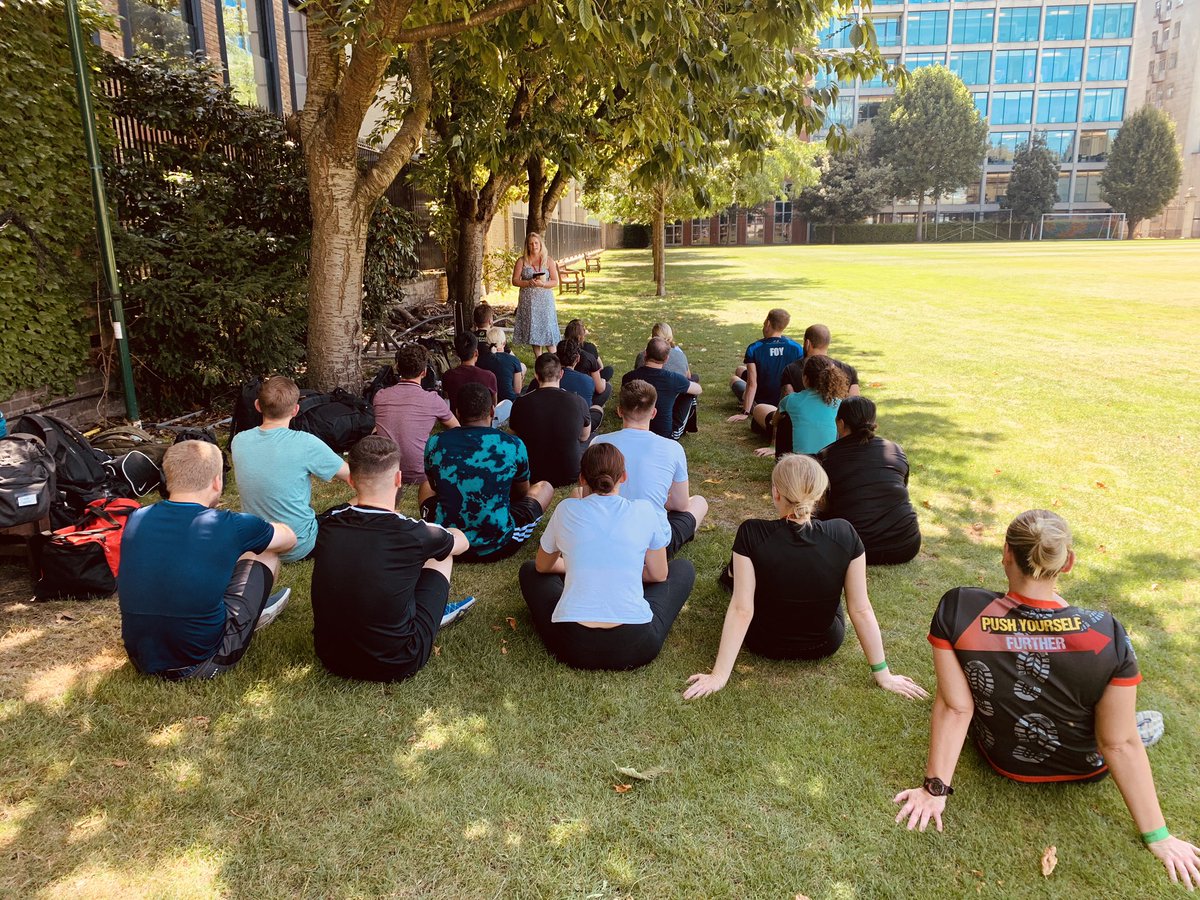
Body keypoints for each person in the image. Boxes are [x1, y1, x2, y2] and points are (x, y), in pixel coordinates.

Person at [893, 510, 1200, 890]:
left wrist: (934, 790)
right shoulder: (1105, 632)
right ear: (1067, 562)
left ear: (1006, 553)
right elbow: (1117, 743)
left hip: (1001, 757)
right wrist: (1159, 837)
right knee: (1134, 725)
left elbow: (957, 706)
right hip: (1085, 764)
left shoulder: (960, 609)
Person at [683, 454, 926, 700]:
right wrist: (883, 674)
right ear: (819, 495)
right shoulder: (845, 532)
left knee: (741, 579)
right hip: (825, 643)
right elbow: (860, 609)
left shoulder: (752, 533)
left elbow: (742, 609)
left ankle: (732, 574)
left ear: (776, 492)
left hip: (764, 642)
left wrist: (719, 676)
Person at [118, 440, 297, 680]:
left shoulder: (137, 517)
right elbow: (289, 540)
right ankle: (250, 617)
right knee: (265, 552)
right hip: (201, 662)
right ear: (217, 481)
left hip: (141, 659)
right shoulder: (231, 524)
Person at [519, 443, 697, 671]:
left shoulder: (566, 509)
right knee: (683, 569)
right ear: (624, 476)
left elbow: (542, 567)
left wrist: (579, 567)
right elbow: (658, 574)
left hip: (573, 645)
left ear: (582, 479)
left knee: (529, 570)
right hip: (636, 644)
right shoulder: (644, 510)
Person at [311, 435, 472, 682]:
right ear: (398, 479)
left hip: (330, 656)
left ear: (351, 480)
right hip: (398, 662)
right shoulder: (416, 533)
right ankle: (428, 617)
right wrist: (453, 533)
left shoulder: (326, 523)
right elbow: (462, 543)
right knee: (443, 554)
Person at [422, 383, 554, 561]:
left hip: (448, 542)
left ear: (457, 412)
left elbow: (434, 487)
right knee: (545, 487)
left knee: (424, 487)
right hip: (498, 544)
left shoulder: (435, 442)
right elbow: (522, 492)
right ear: (492, 411)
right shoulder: (512, 444)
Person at [230, 375, 350, 562]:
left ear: (257, 406)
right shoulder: (306, 443)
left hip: (256, 544)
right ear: (295, 410)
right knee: (349, 510)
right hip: (298, 546)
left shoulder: (239, 441)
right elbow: (352, 476)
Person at [593, 380, 708, 558]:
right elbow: (681, 504)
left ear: (619, 411)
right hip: (654, 547)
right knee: (699, 501)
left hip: (605, 535)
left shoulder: (598, 443)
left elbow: (589, 494)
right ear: (653, 413)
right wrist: (656, 498)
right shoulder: (673, 448)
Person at [816, 397, 921, 565]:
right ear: (874, 422)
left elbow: (822, 504)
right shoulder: (895, 449)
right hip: (905, 544)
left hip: (854, 548)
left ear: (840, 423)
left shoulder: (826, 456)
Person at [372, 343, 458, 491]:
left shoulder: (380, 396)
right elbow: (457, 429)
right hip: (421, 474)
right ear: (424, 372)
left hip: (385, 472)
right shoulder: (433, 399)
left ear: (397, 368)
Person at [510, 353, 598, 487]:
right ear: (561, 374)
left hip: (532, 472)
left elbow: (515, 437)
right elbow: (584, 436)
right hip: (568, 473)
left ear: (536, 375)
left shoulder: (520, 403)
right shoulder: (578, 401)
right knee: (594, 424)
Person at [728, 308, 803, 434]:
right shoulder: (796, 348)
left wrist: (745, 412)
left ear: (767, 323)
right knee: (741, 370)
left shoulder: (755, 348)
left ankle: (746, 401)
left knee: (734, 378)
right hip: (784, 400)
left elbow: (752, 384)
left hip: (761, 403)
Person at [764, 354, 851, 458]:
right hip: (829, 464)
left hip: (800, 464)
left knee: (784, 420)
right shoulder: (838, 403)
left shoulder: (791, 400)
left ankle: (781, 460)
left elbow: (775, 420)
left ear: (805, 378)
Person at [623, 338, 702, 441]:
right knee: (690, 392)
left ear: (645, 354)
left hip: (634, 427)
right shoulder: (673, 379)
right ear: (666, 359)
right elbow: (698, 389)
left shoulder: (628, 377)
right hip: (665, 436)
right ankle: (688, 428)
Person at [511, 231, 560, 355]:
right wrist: (528, 283)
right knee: (534, 328)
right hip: (529, 302)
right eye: (531, 244)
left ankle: (555, 358)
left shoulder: (548, 260)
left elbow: (555, 281)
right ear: (527, 246)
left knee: (548, 327)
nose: (534, 246)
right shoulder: (521, 261)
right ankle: (539, 360)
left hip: (545, 301)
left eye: (536, 243)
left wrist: (543, 284)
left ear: (541, 244)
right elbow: (515, 281)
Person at [781, 324, 860, 398]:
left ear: (807, 343)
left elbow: (785, 404)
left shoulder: (790, 370)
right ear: (828, 343)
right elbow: (855, 404)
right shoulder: (849, 370)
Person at [441, 331, 499, 413]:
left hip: (457, 421)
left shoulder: (447, 376)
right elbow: (494, 405)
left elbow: (447, 400)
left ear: (456, 353)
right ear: (476, 353)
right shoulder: (489, 376)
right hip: (482, 421)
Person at [556, 338, 610, 408]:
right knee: (608, 386)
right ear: (578, 358)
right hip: (581, 414)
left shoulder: (548, 376)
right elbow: (600, 389)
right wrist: (603, 381)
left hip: (559, 410)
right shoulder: (588, 380)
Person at [477, 326, 525, 404]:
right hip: (509, 401)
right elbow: (517, 391)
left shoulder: (480, 360)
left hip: (487, 401)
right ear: (504, 343)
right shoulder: (514, 360)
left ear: (487, 344)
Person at [565, 318, 613, 382]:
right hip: (588, 380)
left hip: (566, 378)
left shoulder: (562, 347)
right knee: (609, 370)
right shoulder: (589, 347)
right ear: (581, 336)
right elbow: (600, 367)